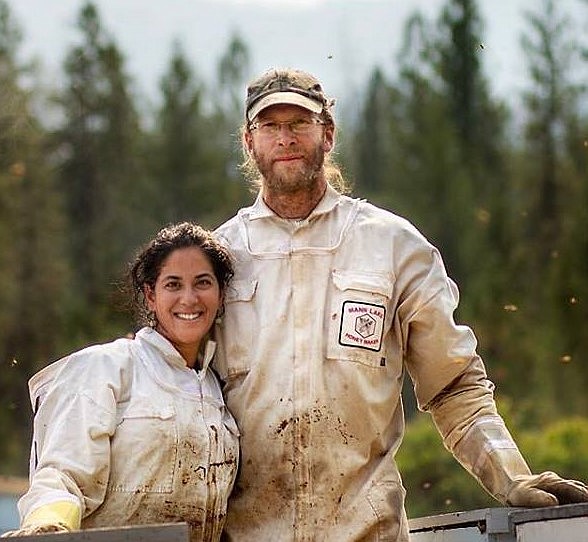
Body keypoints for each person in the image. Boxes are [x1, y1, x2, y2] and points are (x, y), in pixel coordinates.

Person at [212, 67, 588, 541]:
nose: (285, 139)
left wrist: (511, 476)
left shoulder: (391, 245)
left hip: (367, 533)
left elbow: (454, 387)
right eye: (270, 126)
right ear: (249, 142)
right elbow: (183, 399)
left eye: (299, 124)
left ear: (327, 134)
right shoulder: (218, 260)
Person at [2, 222, 239, 541]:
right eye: (173, 284)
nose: (189, 298)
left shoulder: (217, 388)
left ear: (221, 294)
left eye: (202, 283)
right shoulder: (105, 368)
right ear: (150, 295)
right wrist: (49, 527)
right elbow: (61, 476)